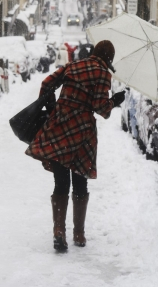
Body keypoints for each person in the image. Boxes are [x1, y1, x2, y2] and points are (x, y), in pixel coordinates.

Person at [25, 40, 125, 251]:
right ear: (109, 59)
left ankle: (58, 231)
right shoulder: (103, 74)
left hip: (60, 128)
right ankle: (78, 234)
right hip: (82, 135)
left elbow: (46, 84)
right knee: (80, 183)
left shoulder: (73, 65)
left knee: (61, 182)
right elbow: (102, 109)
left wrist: (54, 107)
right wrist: (115, 101)